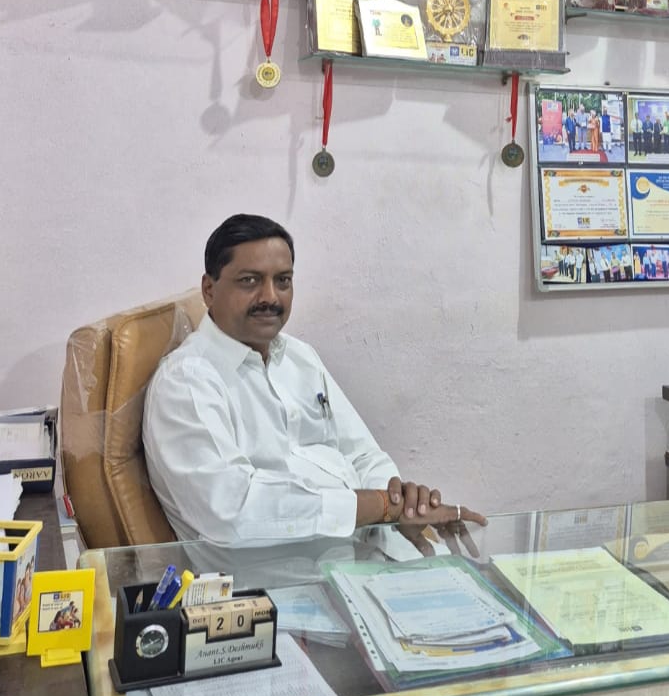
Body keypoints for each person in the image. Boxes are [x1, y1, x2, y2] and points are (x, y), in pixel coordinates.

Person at [143, 214, 483, 549]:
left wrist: (403, 506)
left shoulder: (299, 356)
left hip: (371, 551)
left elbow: (362, 454)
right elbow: (233, 511)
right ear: (209, 289)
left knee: (487, 572)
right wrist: (379, 507)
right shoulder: (187, 382)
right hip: (282, 576)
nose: (270, 297)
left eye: (283, 280)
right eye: (249, 281)